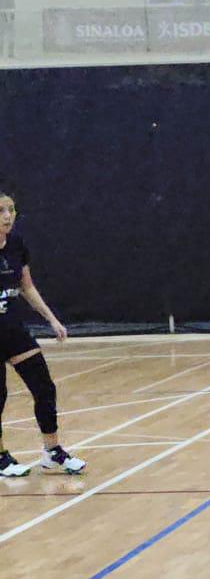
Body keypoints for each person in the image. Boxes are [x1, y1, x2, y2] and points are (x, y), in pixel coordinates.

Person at [0, 190, 87, 478]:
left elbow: (26, 286)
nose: (8, 216)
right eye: (1, 211)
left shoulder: (16, 244)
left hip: (12, 329)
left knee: (44, 387)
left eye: (11, 209)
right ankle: (1, 457)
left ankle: (52, 451)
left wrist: (51, 319)